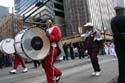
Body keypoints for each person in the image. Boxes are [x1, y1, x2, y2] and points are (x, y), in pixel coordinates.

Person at [41, 18, 62, 83]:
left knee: (49, 65)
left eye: (49, 22)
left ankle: (51, 81)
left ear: (52, 22)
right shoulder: (46, 30)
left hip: (52, 48)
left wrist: (49, 36)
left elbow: (58, 37)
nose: (47, 23)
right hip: (45, 49)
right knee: (45, 64)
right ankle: (58, 73)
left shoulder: (56, 28)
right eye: (47, 22)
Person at [111, 5, 125, 83]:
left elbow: (116, 33)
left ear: (116, 11)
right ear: (123, 11)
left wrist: (121, 36)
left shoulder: (113, 20)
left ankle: (122, 80)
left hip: (119, 45)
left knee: (122, 62)